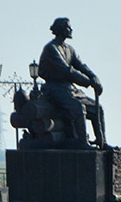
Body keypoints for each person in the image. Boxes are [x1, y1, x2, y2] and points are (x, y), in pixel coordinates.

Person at [37, 17, 105, 148]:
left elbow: (81, 65)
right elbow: (66, 70)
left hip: (69, 90)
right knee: (79, 107)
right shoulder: (51, 49)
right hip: (54, 89)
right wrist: (88, 82)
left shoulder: (69, 49)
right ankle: (82, 142)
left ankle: (102, 141)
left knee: (98, 108)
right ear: (61, 29)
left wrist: (94, 77)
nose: (71, 29)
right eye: (68, 27)